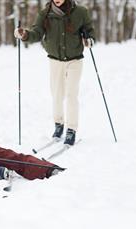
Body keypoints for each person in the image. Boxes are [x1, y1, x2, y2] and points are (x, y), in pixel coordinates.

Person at [14, 0, 95, 145]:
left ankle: (71, 129)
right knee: (57, 94)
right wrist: (24, 34)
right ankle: (59, 125)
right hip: (55, 60)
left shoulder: (81, 12)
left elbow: (90, 31)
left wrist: (89, 39)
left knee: (71, 94)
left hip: (74, 60)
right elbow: (37, 33)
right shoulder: (45, 14)